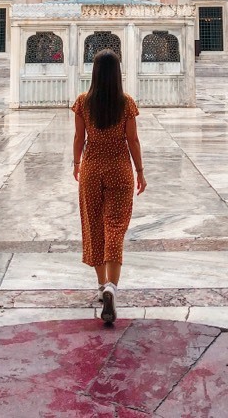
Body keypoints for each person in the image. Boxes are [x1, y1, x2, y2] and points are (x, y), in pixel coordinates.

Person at [72, 49, 146, 325]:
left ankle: (102, 285)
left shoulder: (83, 102)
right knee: (115, 227)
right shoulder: (125, 103)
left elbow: (79, 137)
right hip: (119, 171)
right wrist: (140, 171)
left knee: (94, 226)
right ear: (117, 74)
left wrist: (76, 164)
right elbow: (133, 141)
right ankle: (112, 287)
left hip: (92, 169)